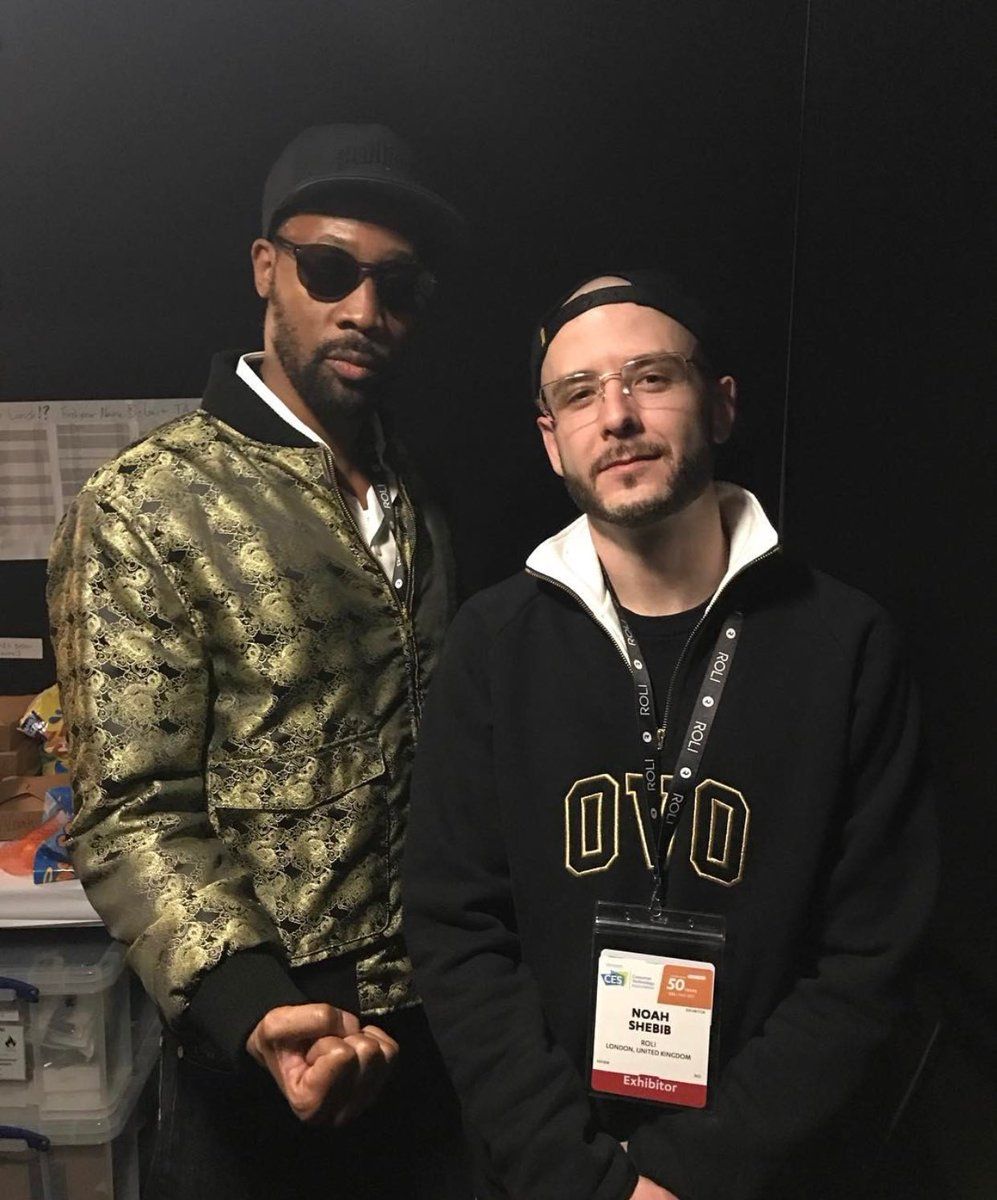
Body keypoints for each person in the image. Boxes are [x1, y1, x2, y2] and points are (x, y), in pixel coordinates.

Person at [402, 270, 937, 1199]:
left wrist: (698, 1173)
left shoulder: (845, 642)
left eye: (650, 377)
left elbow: (871, 954)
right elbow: (455, 932)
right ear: (550, 439)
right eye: (579, 393)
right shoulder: (492, 643)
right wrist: (580, 1178)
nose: (616, 416)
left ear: (720, 405)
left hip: (772, 1177)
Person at [48, 124, 470, 1199]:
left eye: (397, 286)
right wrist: (254, 1006)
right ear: (265, 268)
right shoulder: (146, 503)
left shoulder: (416, 490)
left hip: (438, 1035)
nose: (364, 310)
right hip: (264, 1051)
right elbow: (130, 811)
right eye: (330, 270)